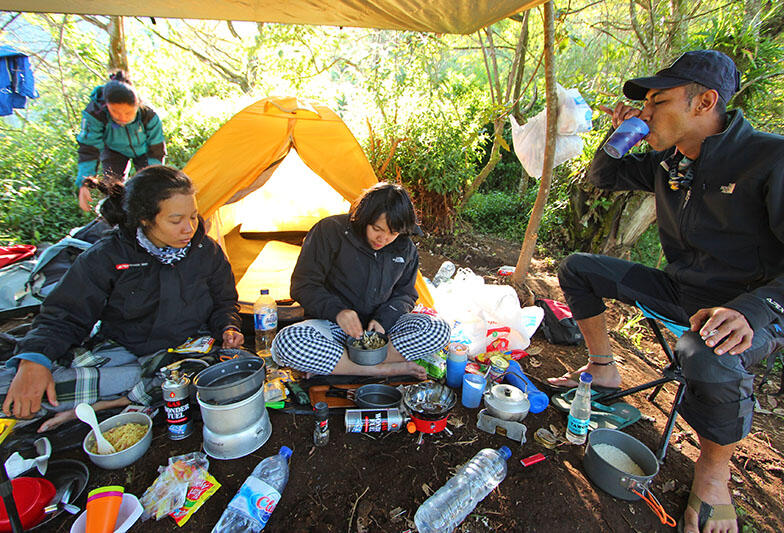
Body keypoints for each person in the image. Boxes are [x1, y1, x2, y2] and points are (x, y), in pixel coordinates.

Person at [546, 50, 784, 533]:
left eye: (657, 101)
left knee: (703, 349)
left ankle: (713, 474)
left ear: (705, 102)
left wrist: (753, 309)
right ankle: (603, 372)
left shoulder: (777, 158)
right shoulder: (671, 162)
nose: (645, 111)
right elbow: (602, 177)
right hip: (683, 288)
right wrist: (618, 134)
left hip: (751, 309)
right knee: (578, 269)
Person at [1, 166, 243, 431]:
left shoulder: (205, 252)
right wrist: (34, 360)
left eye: (194, 217)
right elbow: (64, 314)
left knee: (212, 377)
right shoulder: (108, 257)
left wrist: (228, 326)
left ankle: (106, 405)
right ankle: (128, 399)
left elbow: (224, 301)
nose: (189, 228)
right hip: (123, 351)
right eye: (176, 220)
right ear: (144, 219)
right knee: (24, 389)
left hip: (186, 351)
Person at [272, 182, 450, 379]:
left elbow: (405, 294)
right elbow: (303, 285)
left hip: (383, 333)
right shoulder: (330, 231)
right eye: (377, 228)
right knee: (287, 342)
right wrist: (338, 311)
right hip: (333, 327)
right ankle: (381, 369)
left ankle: (343, 364)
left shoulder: (405, 249)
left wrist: (384, 320)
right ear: (365, 218)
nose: (383, 239)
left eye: (393, 233)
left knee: (439, 328)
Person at [75, 70, 166, 212]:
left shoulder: (148, 114)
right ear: (106, 106)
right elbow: (89, 149)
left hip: (144, 150)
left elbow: (156, 150)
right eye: (116, 113)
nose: (122, 118)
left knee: (151, 186)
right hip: (113, 150)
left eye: (128, 113)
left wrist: (155, 177)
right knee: (113, 189)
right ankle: (118, 219)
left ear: (137, 106)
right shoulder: (95, 114)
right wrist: (84, 183)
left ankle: (150, 214)